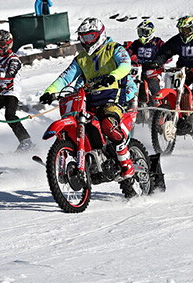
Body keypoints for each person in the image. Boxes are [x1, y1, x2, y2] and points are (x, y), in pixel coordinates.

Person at [39, 18, 136, 179]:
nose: (87, 41)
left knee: (108, 125)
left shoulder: (114, 48)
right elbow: (65, 77)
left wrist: (113, 76)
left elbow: (125, 65)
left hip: (114, 95)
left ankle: (127, 164)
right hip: (89, 98)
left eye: (90, 37)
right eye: (83, 38)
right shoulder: (81, 58)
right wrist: (50, 92)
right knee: (77, 123)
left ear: (100, 35)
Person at [125, 20, 165, 106]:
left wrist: (158, 62)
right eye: (140, 32)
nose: (142, 35)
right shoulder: (136, 43)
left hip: (153, 70)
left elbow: (167, 54)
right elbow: (128, 53)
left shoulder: (158, 42)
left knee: (152, 82)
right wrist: (126, 51)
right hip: (137, 69)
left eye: (145, 32)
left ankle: (158, 102)